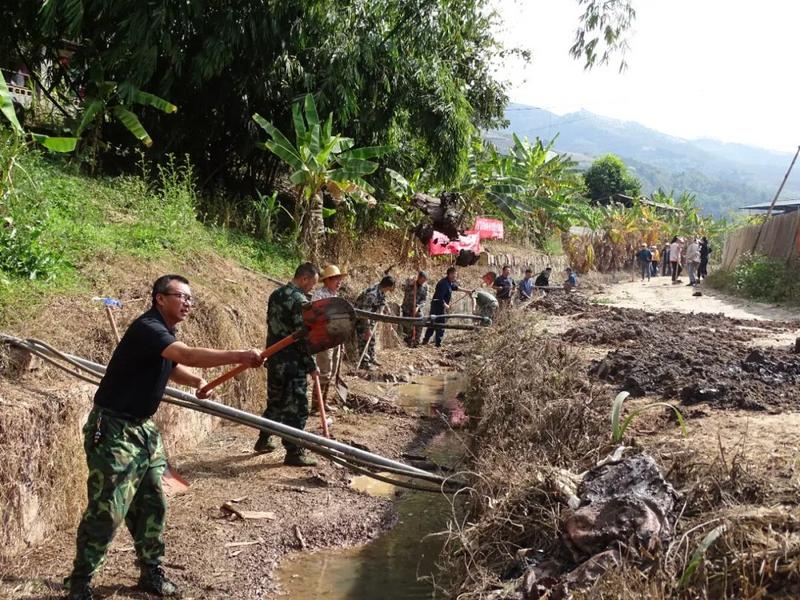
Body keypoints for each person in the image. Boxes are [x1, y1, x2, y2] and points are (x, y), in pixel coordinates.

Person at [65, 275, 263, 600]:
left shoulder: (165, 335)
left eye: (190, 299)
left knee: (153, 502)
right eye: (181, 296)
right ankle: (79, 582)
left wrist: (196, 381)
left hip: (143, 430)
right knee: (108, 508)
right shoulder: (149, 328)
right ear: (160, 298)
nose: (188, 303)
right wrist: (240, 355)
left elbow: (171, 366)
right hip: (113, 429)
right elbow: (187, 355)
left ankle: (150, 572)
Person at [254, 262, 321, 466]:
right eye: (312, 283)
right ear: (304, 278)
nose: (312, 287)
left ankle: (263, 440)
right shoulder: (299, 301)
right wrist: (311, 365)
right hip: (293, 363)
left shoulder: (276, 294)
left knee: (275, 401)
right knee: (297, 408)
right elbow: (302, 337)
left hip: (275, 358)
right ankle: (294, 452)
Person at [311, 264, 345, 409]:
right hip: (324, 338)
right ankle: (316, 405)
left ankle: (323, 403)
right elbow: (315, 317)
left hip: (335, 338)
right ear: (328, 280)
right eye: (336, 279)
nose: (339, 282)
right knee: (324, 371)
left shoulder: (335, 296)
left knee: (331, 371)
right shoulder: (319, 295)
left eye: (340, 279)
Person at [422, 267, 472, 348]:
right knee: (437, 324)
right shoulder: (443, 283)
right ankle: (435, 343)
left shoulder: (449, 283)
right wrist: (445, 305)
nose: (455, 276)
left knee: (435, 324)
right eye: (454, 275)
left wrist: (467, 291)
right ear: (449, 274)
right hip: (437, 306)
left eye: (455, 275)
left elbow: (455, 287)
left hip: (440, 306)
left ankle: (430, 341)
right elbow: (439, 297)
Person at [355, 275, 396, 369]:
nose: (390, 290)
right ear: (387, 286)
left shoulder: (381, 289)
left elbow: (383, 300)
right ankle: (364, 363)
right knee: (364, 339)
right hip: (361, 317)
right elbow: (364, 313)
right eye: (391, 288)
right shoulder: (371, 294)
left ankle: (372, 358)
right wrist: (367, 329)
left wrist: (384, 309)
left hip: (371, 316)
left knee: (372, 339)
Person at [401, 271, 428, 346]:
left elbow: (424, 300)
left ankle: (416, 341)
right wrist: (410, 282)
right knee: (407, 326)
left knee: (420, 322)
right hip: (407, 308)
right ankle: (408, 342)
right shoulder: (410, 283)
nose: (423, 282)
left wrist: (418, 307)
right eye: (422, 280)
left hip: (417, 309)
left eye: (424, 280)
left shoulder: (425, 287)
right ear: (418, 278)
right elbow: (402, 287)